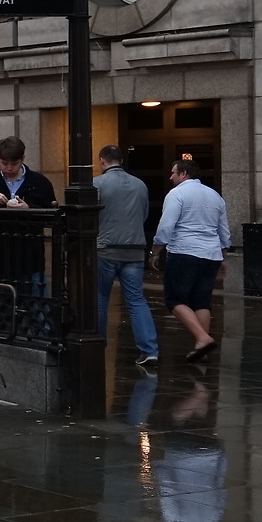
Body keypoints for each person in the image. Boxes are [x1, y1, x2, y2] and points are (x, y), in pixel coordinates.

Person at [150, 158, 230, 361]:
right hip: (211, 254)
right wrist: (223, 257)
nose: (171, 177)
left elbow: (166, 226)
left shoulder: (177, 194)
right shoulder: (215, 196)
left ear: (183, 174)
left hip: (184, 252)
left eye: (173, 173)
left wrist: (156, 251)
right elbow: (223, 230)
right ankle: (201, 349)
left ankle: (203, 338)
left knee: (174, 300)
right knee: (201, 301)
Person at [94, 145, 159, 369]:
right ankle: (149, 350)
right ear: (121, 160)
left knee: (100, 298)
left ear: (102, 160)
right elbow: (144, 214)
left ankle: (97, 344)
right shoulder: (140, 184)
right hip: (134, 249)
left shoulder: (97, 184)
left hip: (105, 248)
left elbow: (91, 217)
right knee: (136, 299)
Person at [0, 137, 57, 209]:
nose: (9, 168)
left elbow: (52, 212)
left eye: (14, 164)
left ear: (22, 159)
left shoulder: (40, 181)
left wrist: (28, 208)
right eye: (4, 163)